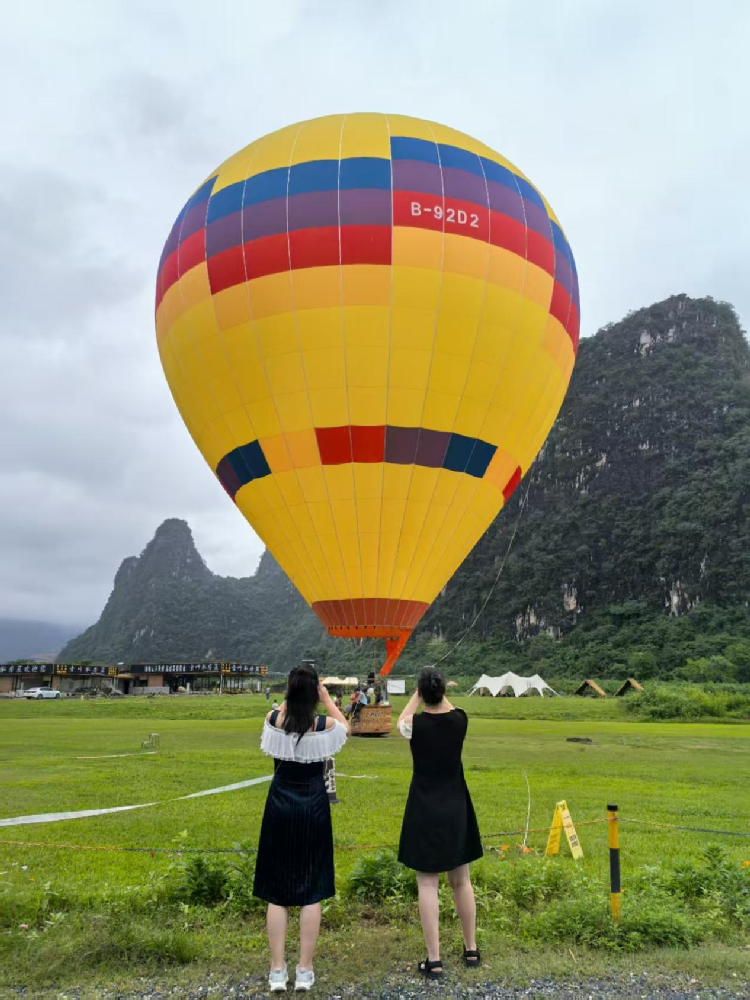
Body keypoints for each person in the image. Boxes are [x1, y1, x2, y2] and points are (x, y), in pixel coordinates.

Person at [254, 663, 349, 993]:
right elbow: (346, 728)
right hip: (313, 806)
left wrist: (290, 699)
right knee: (312, 887)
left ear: (289, 691)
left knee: (276, 890)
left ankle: (277, 970)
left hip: (279, 804)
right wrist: (326, 699)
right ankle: (305, 970)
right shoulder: (324, 726)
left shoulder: (273, 721)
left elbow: (282, 713)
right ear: (314, 693)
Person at [397, 667, 482, 979]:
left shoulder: (415, 725)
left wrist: (416, 696)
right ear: (444, 690)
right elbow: (450, 707)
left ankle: (434, 959)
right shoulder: (460, 719)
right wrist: (439, 693)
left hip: (424, 805)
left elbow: (402, 721)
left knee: (427, 883)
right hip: (455, 804)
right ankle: (471, 949)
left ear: (421, 693)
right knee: (462, 881)